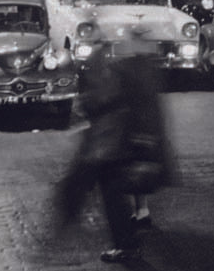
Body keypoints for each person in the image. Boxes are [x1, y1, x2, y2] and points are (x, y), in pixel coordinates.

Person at [54, 53, 173, 264]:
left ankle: (125, 244)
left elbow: (105, 98)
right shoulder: (134, 64)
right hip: (117, 140)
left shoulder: (117, 65)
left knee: (108, 191)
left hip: (111, 142)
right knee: (112, 189)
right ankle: (130, 234)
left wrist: (87, 103)